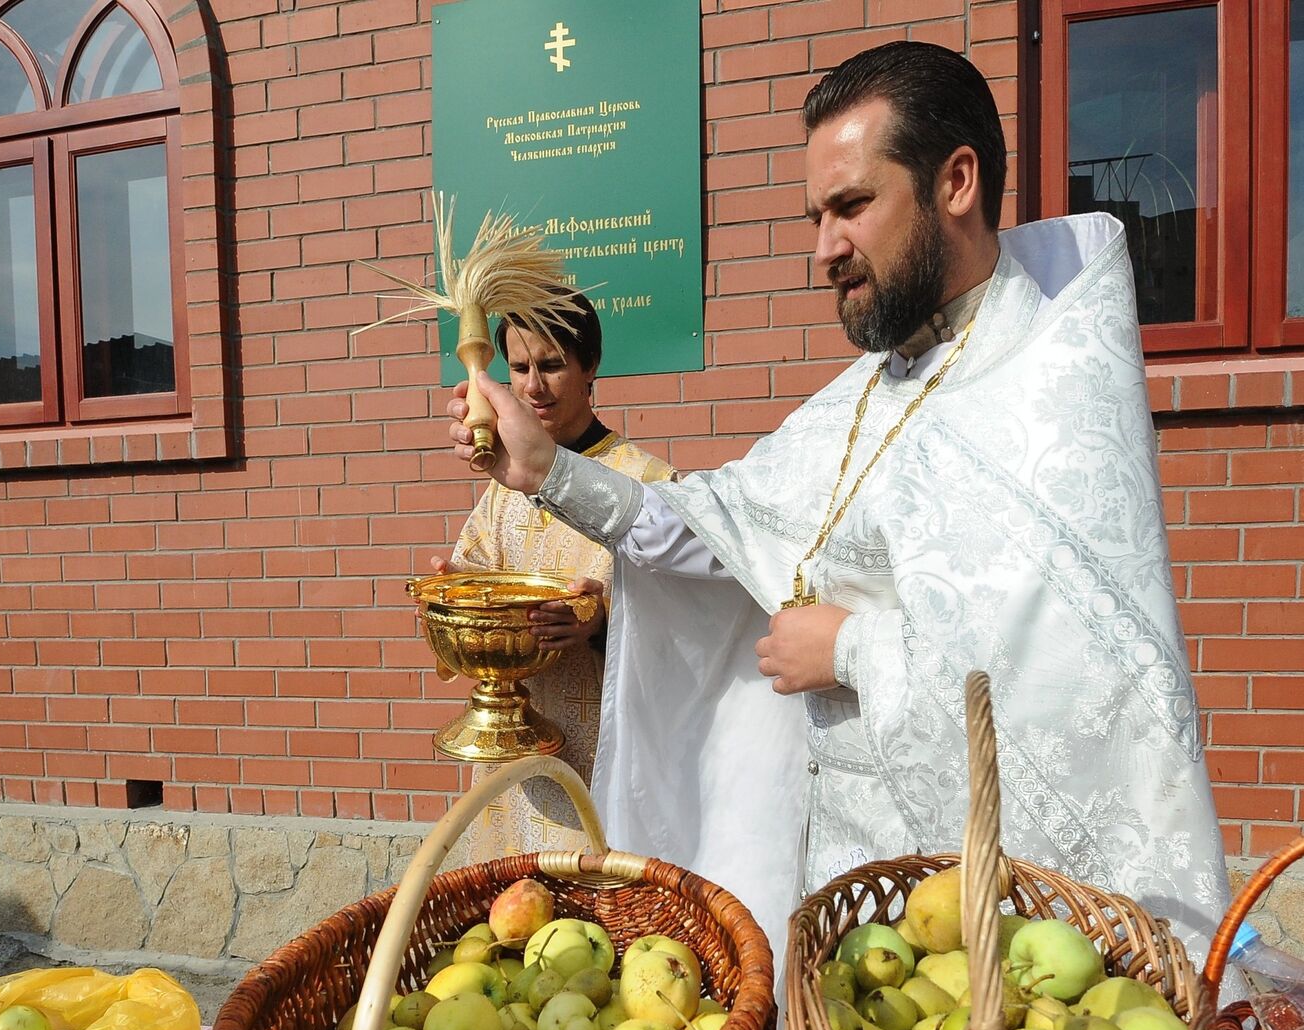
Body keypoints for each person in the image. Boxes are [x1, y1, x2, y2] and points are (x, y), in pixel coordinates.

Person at [445, 42, 1230, 972]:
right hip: (838, 888)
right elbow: (710, 528)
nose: (824, 249)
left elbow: (1079, 673)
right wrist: (544, 469)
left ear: (957, 182)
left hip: (985, 926)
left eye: (852, 206)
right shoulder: (866, 394)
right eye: (816, 216)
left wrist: (850, 648)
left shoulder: (1048, 389)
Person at [433, 289, 671, 863]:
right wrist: (453, 594)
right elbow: (478, 576)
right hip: (510, 759)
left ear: (590, 367)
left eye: (552, 365)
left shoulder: (648, 482)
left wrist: (601, 622)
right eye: (518, 367)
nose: (533, 387)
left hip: (601, 759)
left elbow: (688, 628)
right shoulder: (504, 486)